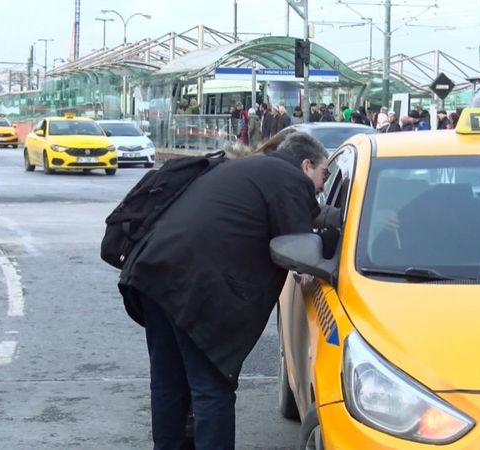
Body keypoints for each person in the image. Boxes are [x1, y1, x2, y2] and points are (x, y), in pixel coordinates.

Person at [118, 132, 327, 450]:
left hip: (152, 272)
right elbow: (300, 246)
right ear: (307, 164)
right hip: (194, 287)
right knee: (211, 386)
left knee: (169, 381)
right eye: (324, 175)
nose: (322, 186)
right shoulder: (289, 178)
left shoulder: (249, 168)